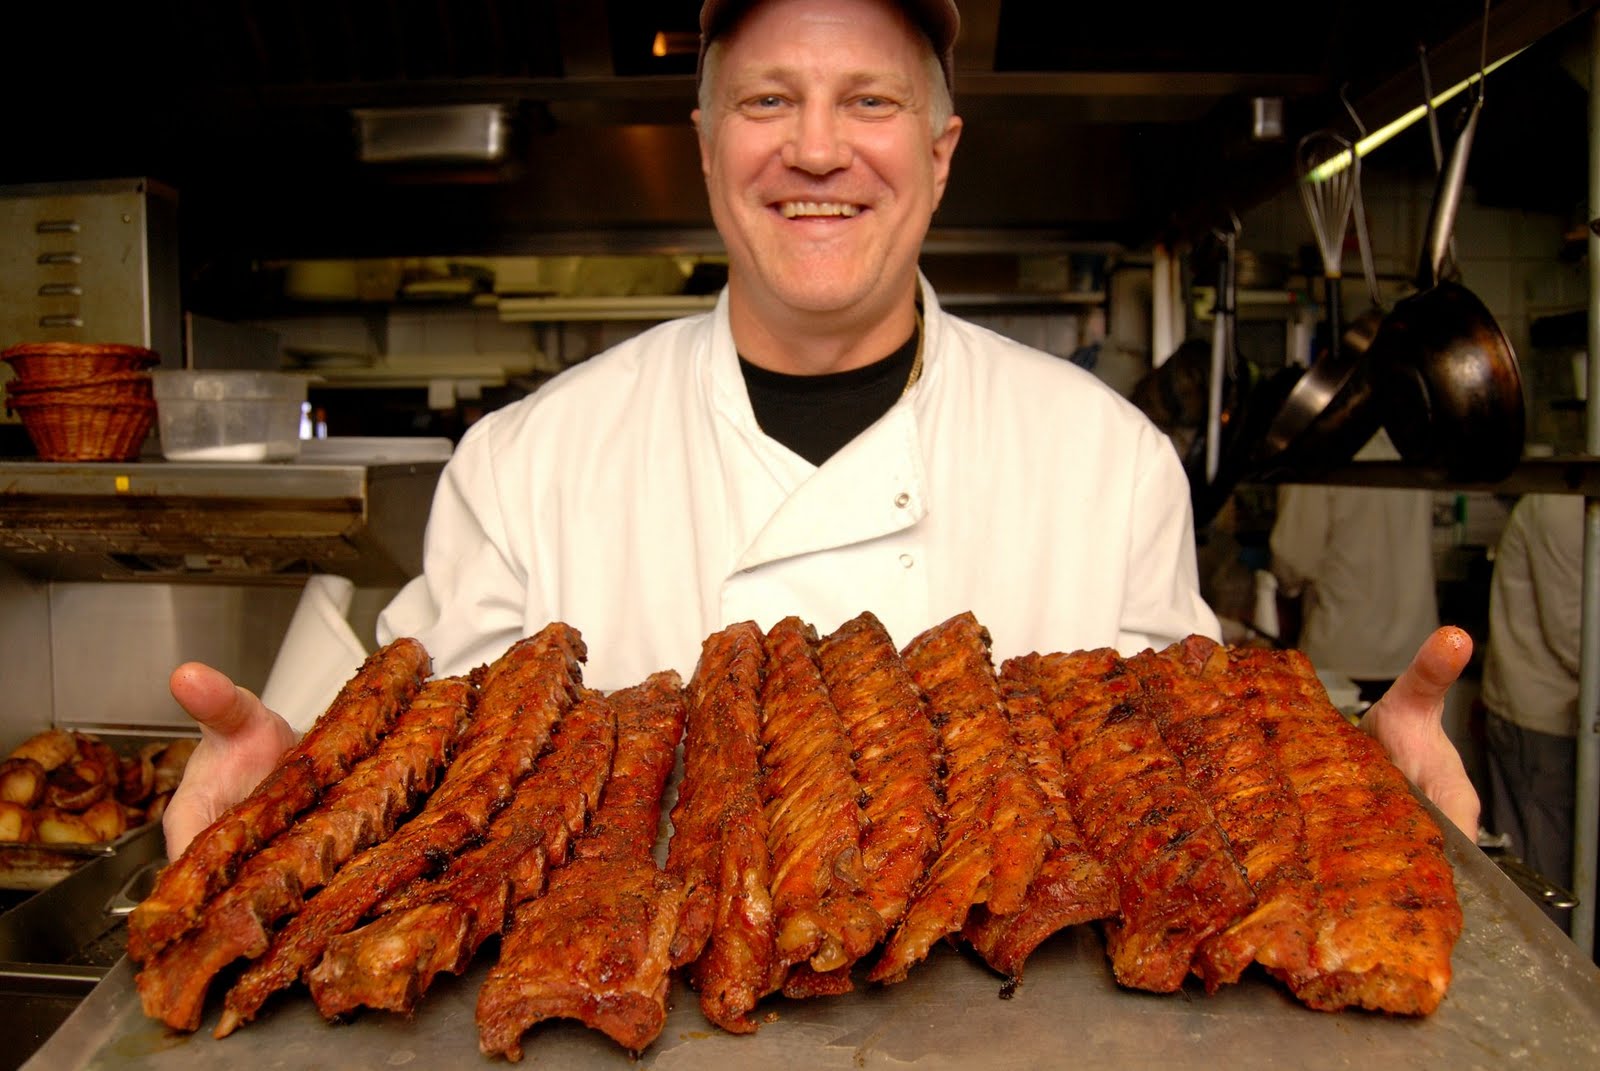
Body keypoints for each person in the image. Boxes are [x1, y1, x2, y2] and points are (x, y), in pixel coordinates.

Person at [162, 0, 1480, 860]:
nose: (816, 148)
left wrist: (1355, 791)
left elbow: (1205, 782)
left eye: (869, 101)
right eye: (767, 100)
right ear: (701, 141)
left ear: (943, 149)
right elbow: (423, 796)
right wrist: (300, 796)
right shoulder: (531, 464)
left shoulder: (1103, 461)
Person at [1268, 428, 1441, 704]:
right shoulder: (1415, 446)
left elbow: (1294, 558)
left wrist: (1286, 589)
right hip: (1415, 654)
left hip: (1342, 657)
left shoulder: (1319, 450)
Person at [1481, 492, 1585, 928]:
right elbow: (1574, 635)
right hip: (1538, 717)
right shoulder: (1559, 505)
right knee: (1541, 878)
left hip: (1561, 714)